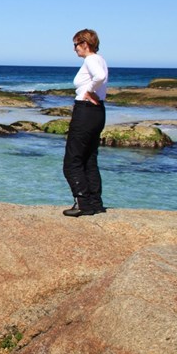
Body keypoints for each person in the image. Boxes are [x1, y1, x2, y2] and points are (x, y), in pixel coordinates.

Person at [62, 29, 108, 217]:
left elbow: (100, 77)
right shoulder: (101, 59)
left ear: (85, 44)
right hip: (97, 112)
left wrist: (88, 91)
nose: (74, 49)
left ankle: (82, 203)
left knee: (72, 161)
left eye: (75, 45)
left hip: (86, 110)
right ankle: (95, 202)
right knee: (89, 158)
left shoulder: (91, 60)